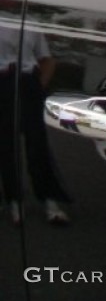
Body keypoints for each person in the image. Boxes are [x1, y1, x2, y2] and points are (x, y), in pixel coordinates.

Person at [0, 20, 71, 225]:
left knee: (37, 144)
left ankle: (50, 200)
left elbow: (47, 60)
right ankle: (14, 200)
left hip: (28, 84)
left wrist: (38, 87)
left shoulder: (30, 22)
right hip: (3, 82)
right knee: (6, 144)